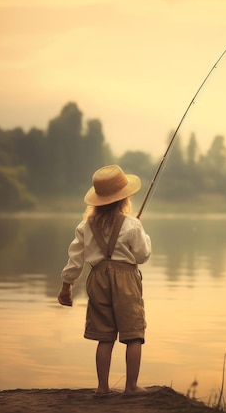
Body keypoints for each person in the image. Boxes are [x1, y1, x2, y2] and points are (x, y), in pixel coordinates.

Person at [58, 164, 152, 396]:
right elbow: (142, 255)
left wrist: (66, 287)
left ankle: (102, 388)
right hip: (126, 280)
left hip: (98, 278)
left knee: (104, 336)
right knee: (133, 335)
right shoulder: (132, 224)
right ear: (124, 199)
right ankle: (131, 386)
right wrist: (142, 230)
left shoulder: (85, 226)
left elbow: (75, 260)